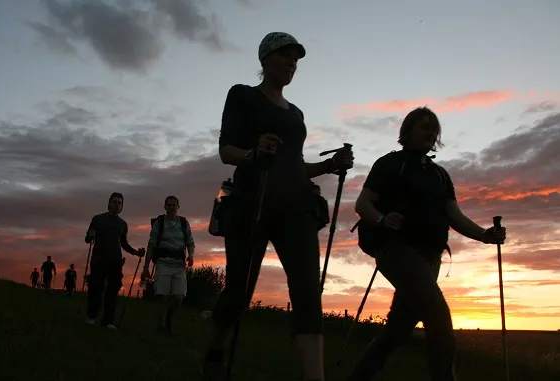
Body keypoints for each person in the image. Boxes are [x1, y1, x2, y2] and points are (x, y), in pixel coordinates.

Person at [201, 32, 354, 381]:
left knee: (306, 292)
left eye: (296, 59)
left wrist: (329, 166)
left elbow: (295, 164)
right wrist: (254, 154)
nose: (292, 64)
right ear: (265, 59)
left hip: (297, 207)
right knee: (239, 291)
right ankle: (214, 351)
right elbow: (227, 151)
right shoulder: (242, 95)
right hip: (250, 203)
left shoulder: (296, 113)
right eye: (285, 56)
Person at [348, 107, 507, 381]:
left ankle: (358, 377)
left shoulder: (440, 175)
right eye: (425, 127)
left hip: (431, 258)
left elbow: (454, 215)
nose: (431, 133)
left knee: (397, 330)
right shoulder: (389, 164)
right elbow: (363, 205)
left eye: (435, 129)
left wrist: (485, 235)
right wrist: (383, 219)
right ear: (407, 131)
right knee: (438, 319)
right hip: (396, 250)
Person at [84, 192, 145, 329]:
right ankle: (91, 317)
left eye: (119, 203)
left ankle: (108, 321)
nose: (117, 204)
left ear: (122, 206)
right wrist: (90, 235)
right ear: (109, 203)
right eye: (115, 202)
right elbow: (88, 239)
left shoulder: (123, 224)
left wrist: (135, 252)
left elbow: (124, 243)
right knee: (96, 288)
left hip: (115, 261)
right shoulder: (97, 219)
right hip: (98, 259)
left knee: (112, 291)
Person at [140, 195, 195, 336]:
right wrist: (146, 266)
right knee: (162, 296)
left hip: (179, 264)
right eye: (168, 205)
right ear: (165, 207)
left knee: (179, 297)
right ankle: (161, 327)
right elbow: (151, 244)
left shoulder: (183, 223)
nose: (171, 207)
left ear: (178, 207)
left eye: (173, 205)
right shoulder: (160, 223)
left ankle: (168, 318)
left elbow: (190, 241)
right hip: (163, 263)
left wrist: (191, 256)